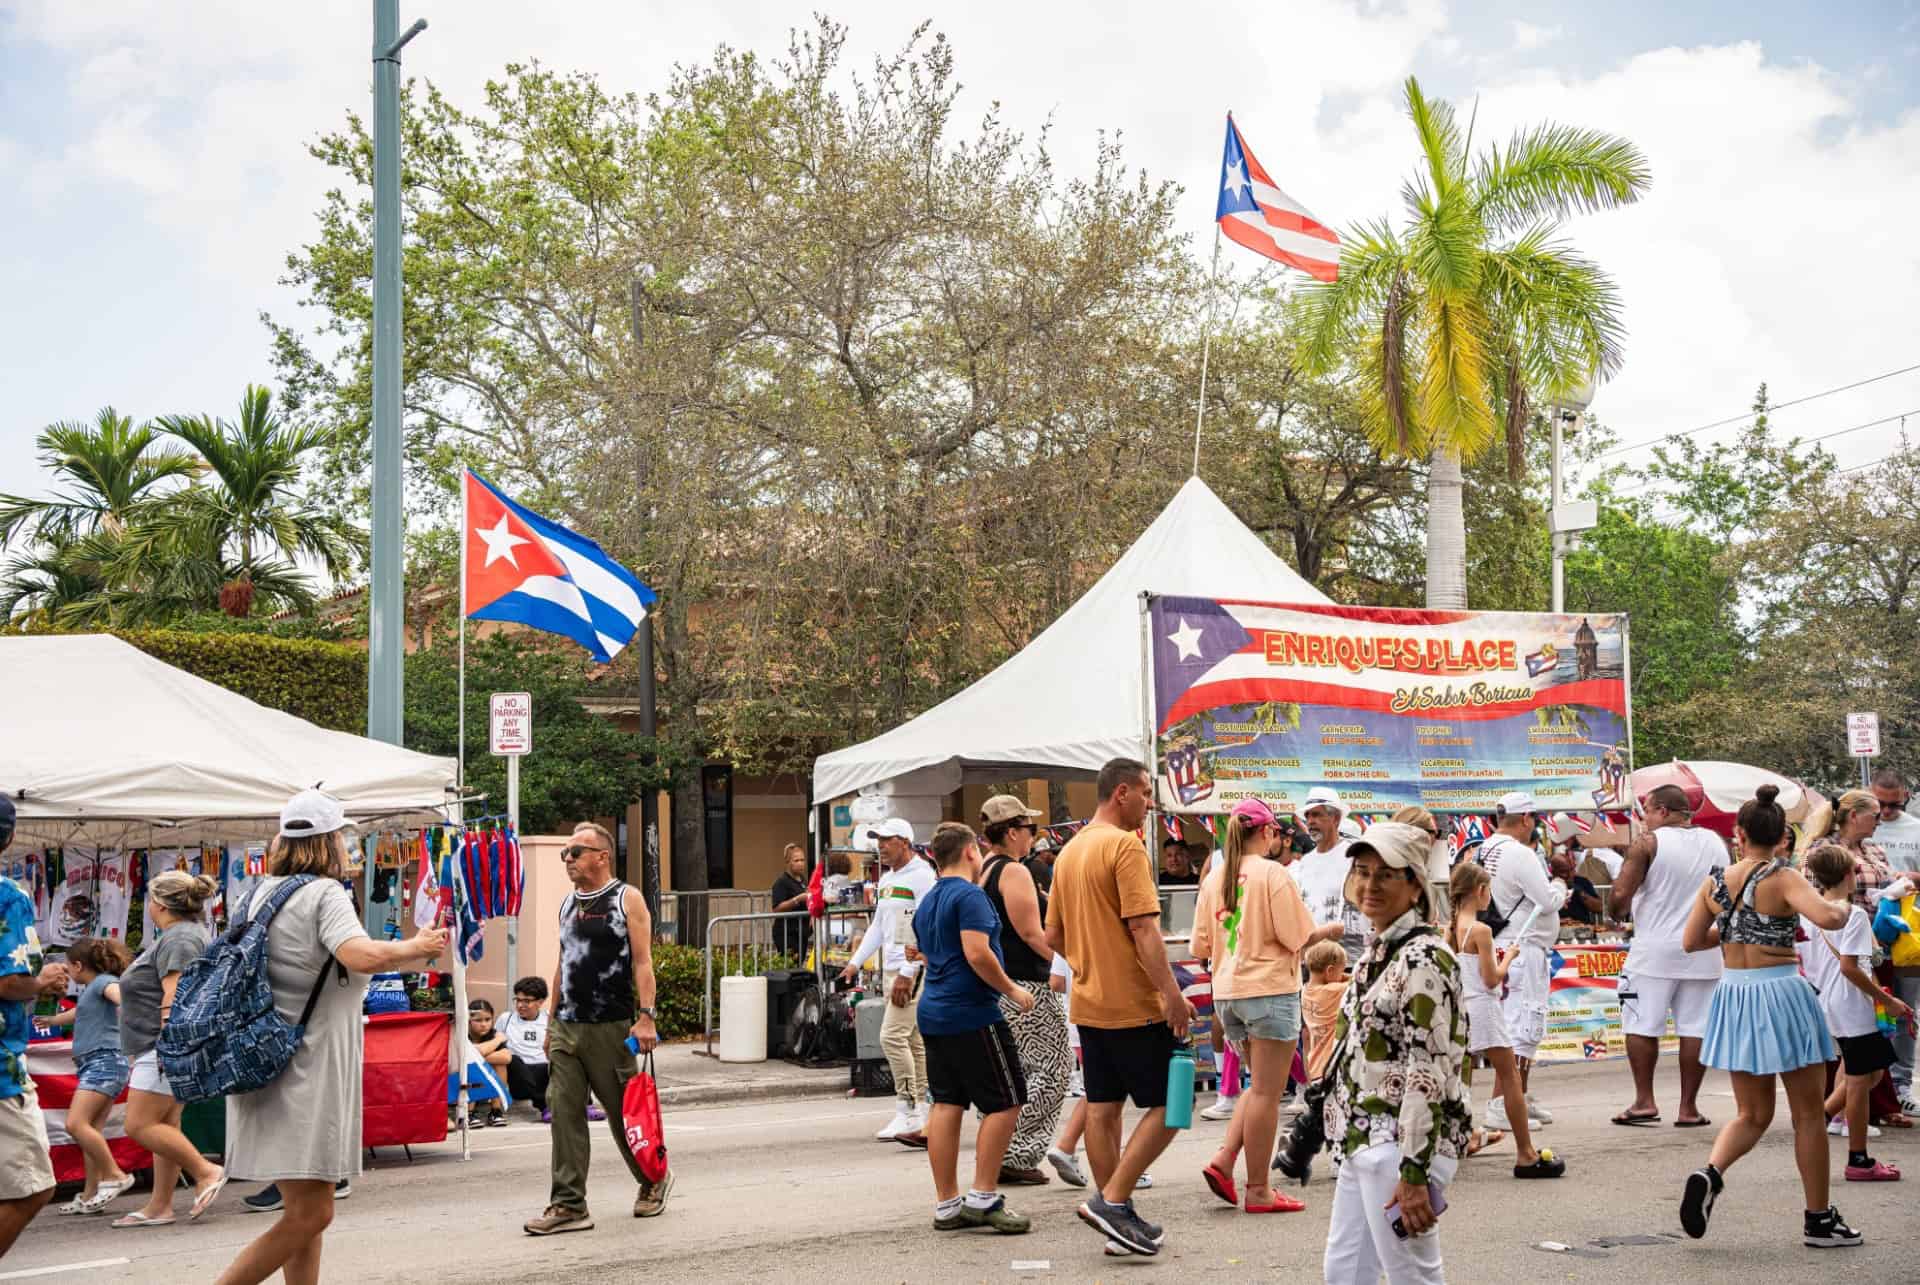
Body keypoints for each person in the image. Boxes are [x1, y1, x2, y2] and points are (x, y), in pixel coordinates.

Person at [215, 790, 447, 1285]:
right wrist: (416, 945)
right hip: (309, 1063)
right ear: (331, 841)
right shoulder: (325, 894)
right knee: (313, 1213)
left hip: (264, 1057)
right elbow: (358, 954)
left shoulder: (255, 894)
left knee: (304, 1209)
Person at [1678, 785, 1862, 1249]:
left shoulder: (1714, 882)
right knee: (1807, 1115)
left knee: (1751, 1113)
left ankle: (1710, 1172)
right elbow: (1826, 918)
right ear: (1783, 837)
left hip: (1735, 995)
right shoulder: (1782, 878)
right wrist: (1843, 903)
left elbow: (1692, 941)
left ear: (1738, 834)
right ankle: (1819, 1220)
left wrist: (1737, 927)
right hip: (1781, 992)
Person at [1045, 758, 1194, 1258]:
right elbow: (1145, 930)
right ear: (1122, 792)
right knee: (1174, 1107)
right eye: (1148, 793)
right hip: (1135, 1003)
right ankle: (1112, 1202)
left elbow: (1053, 935)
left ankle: (1115, 1215)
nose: (1152, 803)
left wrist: (1088, 960)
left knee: (1103, 1109)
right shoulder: (1124, 848)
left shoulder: (1069, 853)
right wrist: (1173, 995)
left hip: (1089, 1003)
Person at [1321, 822, 1472, 1285]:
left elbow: (1426, 1072)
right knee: (1344, 1273)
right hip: (1362, 1140)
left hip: (1400, 1147)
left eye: (1386, 874)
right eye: (1363, 871)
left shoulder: (1424, 958)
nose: (1370, 885)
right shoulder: (1380, 952)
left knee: (1413, 1277)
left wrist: (1413, 1173)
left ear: (1414, 885)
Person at [524, 821, 669, 1236]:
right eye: (564, 854)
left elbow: (643, 962)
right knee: (564, 1114)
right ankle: (569, 1204)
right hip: (568, 1025)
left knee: (625, 1115)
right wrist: (551, 1023)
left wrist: (647, 1016)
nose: (568, 860)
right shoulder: (567, 904)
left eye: (576, 852)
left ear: (602, 856)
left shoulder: (627, 899)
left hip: (610, 1025)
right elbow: (562, 966)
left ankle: (654, 1179)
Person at [1189, 799, 1314, 1215]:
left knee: (1255, 1087)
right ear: (1268, 833)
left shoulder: (1215, 877)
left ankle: (1225, 1159)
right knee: (1267, 1092)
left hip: (1229, 993)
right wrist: (1326, 931)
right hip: (1269, 988)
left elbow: (1200, 945)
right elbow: (1296, 935)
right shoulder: (1272, 873)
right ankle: (1258, 1188)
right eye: (1277, 832)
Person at [913, 822, 1037, 1234]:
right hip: (972, 1013)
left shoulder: (930, 900)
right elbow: (977, 952)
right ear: (970, 852)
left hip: (934, 1011)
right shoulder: (972, 896)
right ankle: (983, 1196)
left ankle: (946, 1203)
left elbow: (929, 955)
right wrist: (1013, 990)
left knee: (947, 1103)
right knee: (1006, 1100)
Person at [1608, 784, 1726, 1129]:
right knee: (1695, 1029)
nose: (1644, 820)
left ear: (1661, 810)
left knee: (1642, 1025)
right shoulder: (1717, 843)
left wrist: (1619, 906)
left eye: (1646, 811)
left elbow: (1618, 898)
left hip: (1653, 952)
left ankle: (1644, 1101)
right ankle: (1688, 1108)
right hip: (1704, 948)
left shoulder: (1648, 843)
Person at [113, 868, 225, 1229]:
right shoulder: (185, 935)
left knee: (140, 1124)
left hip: (160, 1045)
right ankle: (160, 1205)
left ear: (158, 905)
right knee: (165, 1123)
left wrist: (168, 1046)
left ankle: (206, 1171)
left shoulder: (179, 939)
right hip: (165, 1045)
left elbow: (174, 995)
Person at [1798, 843, 1911, 1181]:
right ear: (1849, 875)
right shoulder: (1853, 914)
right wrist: (1886, 999)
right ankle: (1858, 1158)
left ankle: (1821, 1116)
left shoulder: (1810, 913)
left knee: (1867, 1071)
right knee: (1861, 1080)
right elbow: (1850, 966)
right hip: (1851, 1004)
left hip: (1827, 1002)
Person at [1446, 862, 1564, 1179]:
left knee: (1457, 1076)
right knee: (1510, 1076)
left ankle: (1455, 1138)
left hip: (1462, 1009)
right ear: (1480, 891)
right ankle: (1525, 1152)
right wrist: (1508, 957)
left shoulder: (1451, 928)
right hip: (1484, 1008)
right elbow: (1491, 979)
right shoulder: (1481, 931)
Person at [976, 795, 1069, 1186]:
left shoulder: (983, 869)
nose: (1034, 836)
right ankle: (1015, 1150)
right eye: (1030, 829)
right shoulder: (1014, 872)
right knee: (1055, 1068)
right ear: (1012, 832)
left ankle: (996, 1147)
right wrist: (1068, 962)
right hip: (1025, 984)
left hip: (1000, 984)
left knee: (1013, 1072)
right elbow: (1031, 932)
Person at [0, 793, 73, 1259]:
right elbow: (10, 981)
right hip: (1, 1074)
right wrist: (41, 980)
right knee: (32, 1188)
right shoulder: (9, 896)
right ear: (8, 837)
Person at [840, 818, 936, 1145]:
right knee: (913, 1041)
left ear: (905, 842)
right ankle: (922, 1110)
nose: (880, 846)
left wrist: (908, 974)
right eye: (877, 840)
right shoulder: (889, 879)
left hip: (910, 970)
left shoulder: (923, 877)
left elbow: (925, 926)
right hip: (893, 969)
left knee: (891, 1037)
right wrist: (854, 964)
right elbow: (879, 927)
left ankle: (907, 1107)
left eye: (886, 840)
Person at [1478, 790, 1566, 1133]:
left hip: (1504, 944)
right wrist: (1559, 885)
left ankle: (1519, 1096)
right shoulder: (1519, 853)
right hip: (1521, 947)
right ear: (1527, 819)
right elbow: (1546, 900)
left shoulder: (1484, 849)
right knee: (1521, 1027)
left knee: (1520, 1025)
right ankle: (1502, 1103)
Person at [1824, 788, 1909, 1127]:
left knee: (1870, 1053)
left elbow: (1887, 880)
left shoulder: (1872, 849)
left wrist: (1896, 888)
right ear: (1854, 816)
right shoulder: (1826, 850)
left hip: (1875, 947)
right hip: (1849, 954)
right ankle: (1834, 1117)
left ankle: (1846, 1115)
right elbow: (1816, 898)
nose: (1880, 819)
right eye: (1875, 813)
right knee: (1860, 1055)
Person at [39, 937, 134, 1213]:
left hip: (102, 1062)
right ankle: (91, 1192)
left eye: (68, 969)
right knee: (91, 1130)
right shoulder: (92, 989)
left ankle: (115, 1175)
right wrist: (53, 1021)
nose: (68, 975)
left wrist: (127, 1010)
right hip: (101, 1064)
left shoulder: (103, 983)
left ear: (79, 966)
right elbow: (79, 1014)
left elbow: (119, 995)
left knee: (76, 1124)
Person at [1877, 771, 1920, 1114]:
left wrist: (1910, 878)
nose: (1888, 811)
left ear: (1905, 796)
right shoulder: (1861, 824)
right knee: (1869, 1010)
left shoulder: (1915, 828)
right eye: (1881, 804)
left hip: (1907, 934)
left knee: (1905, 1009)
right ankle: (1876, 1086)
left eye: (1895, 804)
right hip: (1868, 931)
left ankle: (1902, 1082)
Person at [1293, 787, 1366, 965]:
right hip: (1311, 961)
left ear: (1335, 818)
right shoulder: (1305, 862)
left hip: (1346, 959)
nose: (1310, 821)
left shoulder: (1352, 856)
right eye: (1308, 816)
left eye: (1317, 815)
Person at [499, 977, 553, 1121]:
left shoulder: (549, 1019)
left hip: (544, 1074)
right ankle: (544, 1107)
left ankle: (585, 1105)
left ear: (540, 1002)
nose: (520, 1005)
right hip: (519, 1079)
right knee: (513, 1058)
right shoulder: (506, 1019)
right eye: (518, 1000)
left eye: (526, 1001)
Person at [1299, 940, 1348, 1083]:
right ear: (1330, 971)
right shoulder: (1332, 991)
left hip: (1314, 1066)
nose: (1342, 974)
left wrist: (1338, 974)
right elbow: (1360, 979)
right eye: (1341, 970)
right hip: (1332, 1065)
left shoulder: (1306, 990)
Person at [464, 999, 512, 1127]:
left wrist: (477, 1054)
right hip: (460, 1082)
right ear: (468, 1021)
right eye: (478, 1020)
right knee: (471, 1065)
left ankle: (496, 1111)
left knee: (499, 1064)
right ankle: (468, 1113)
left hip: (485, 1083)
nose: (484, 1024)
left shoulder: (493, 1034)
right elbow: (467, 1057)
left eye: (487, 1019)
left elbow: (506, 1058)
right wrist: (498, 1041)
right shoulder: (462, 1034)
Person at [769, 843, 811, 957]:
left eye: (802, 860)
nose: (800, 863)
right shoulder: (781, 882)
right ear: (788, 862)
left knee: (799, 966)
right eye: (796, 860)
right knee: (790, 967)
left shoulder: (802, 880)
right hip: (787, 933)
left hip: (802, 932)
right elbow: (776, 909)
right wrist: (797, 899)